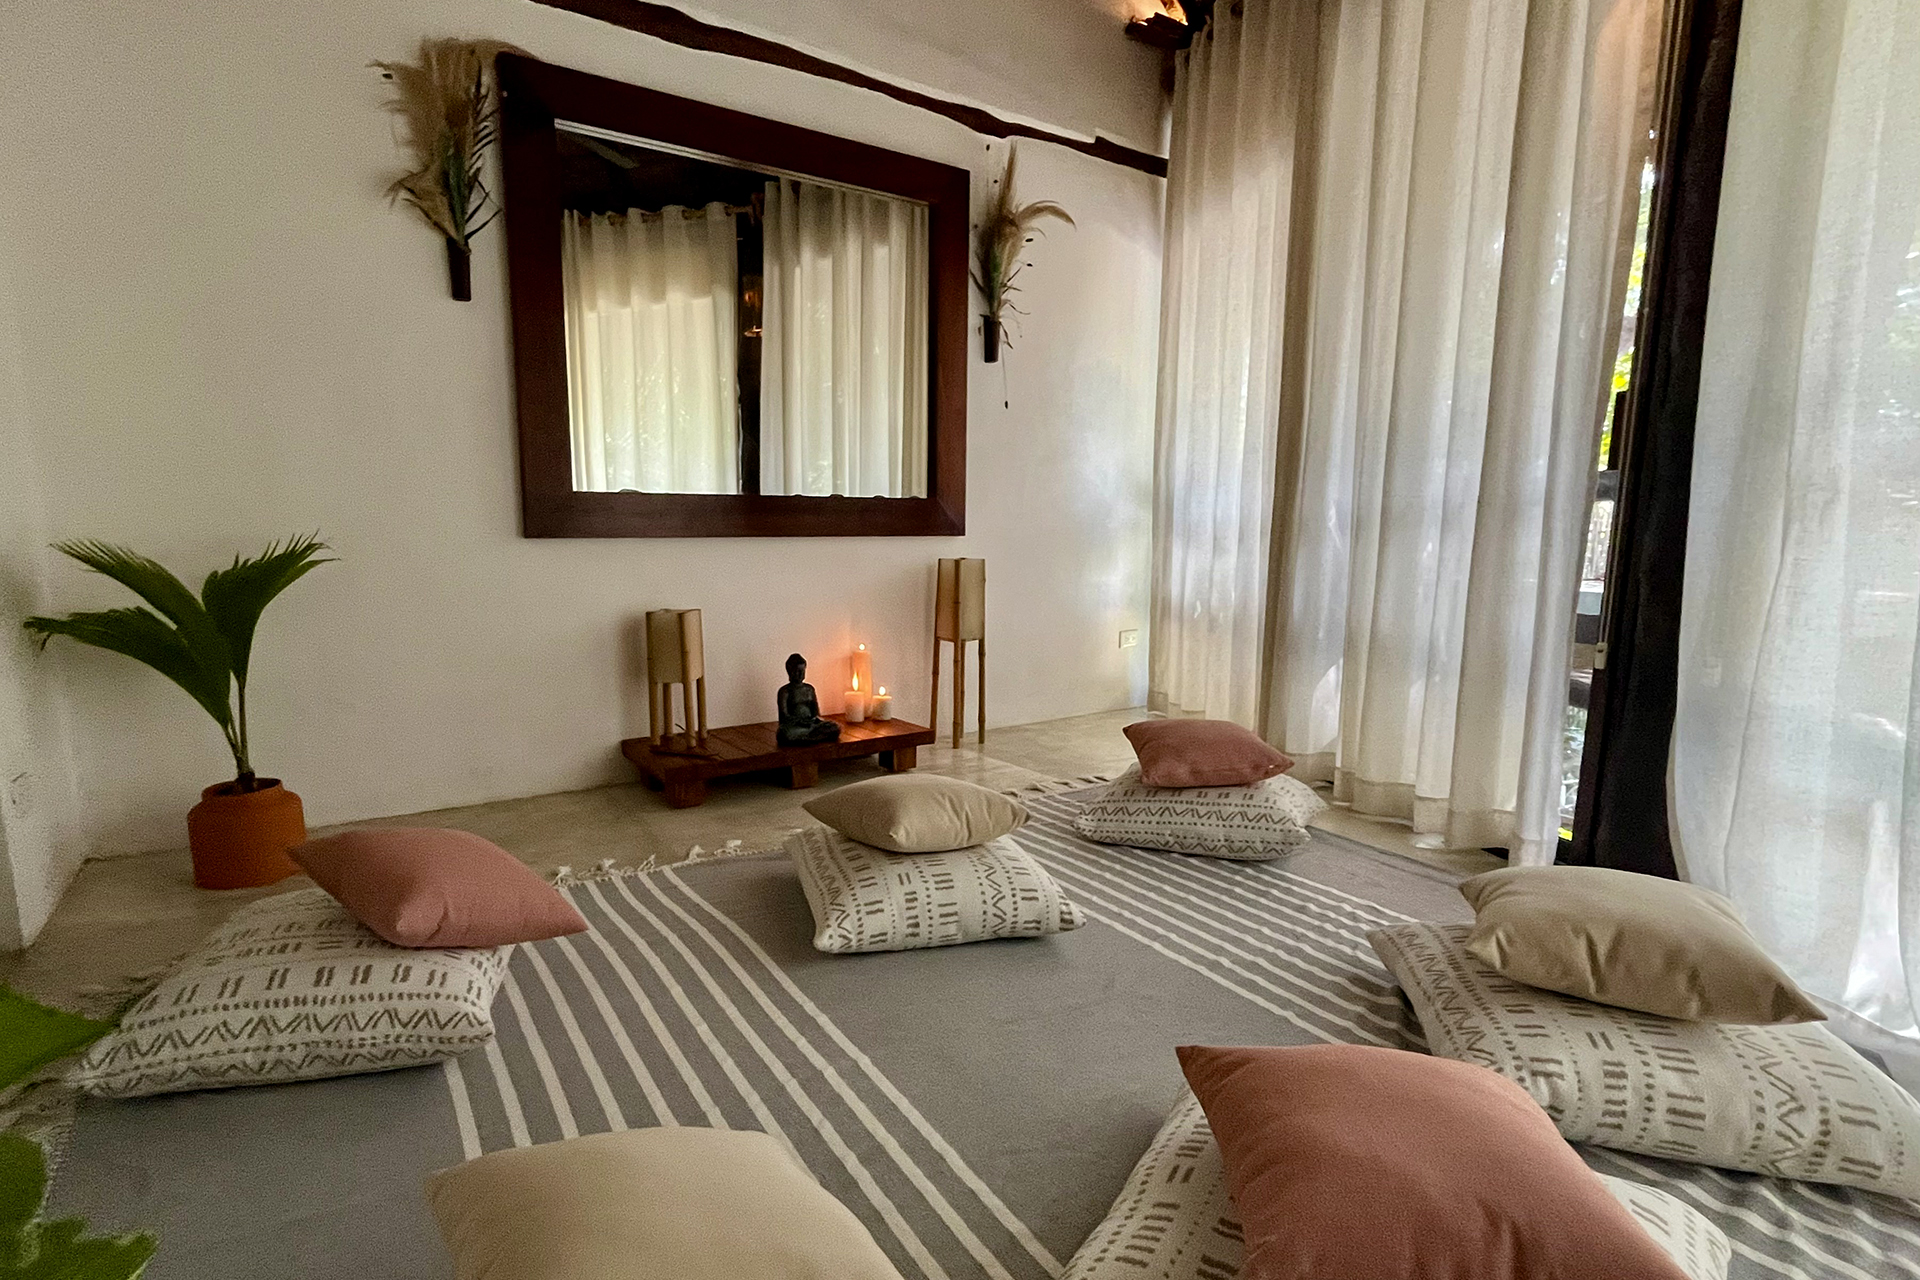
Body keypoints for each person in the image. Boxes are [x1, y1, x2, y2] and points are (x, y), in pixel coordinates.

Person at [775, 653, 841, 745]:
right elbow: (784, 717)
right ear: (790, 672)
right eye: (797, 671)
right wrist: (801, 722)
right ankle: (812, 737)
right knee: (785, 734)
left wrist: (815, 720)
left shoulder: (809, 689)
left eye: (803, 671)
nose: (800, 674)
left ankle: (810, 737)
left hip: (811, 724)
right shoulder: (785, 691)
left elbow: (816, 712)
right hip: (794, 726)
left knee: (835, 727)